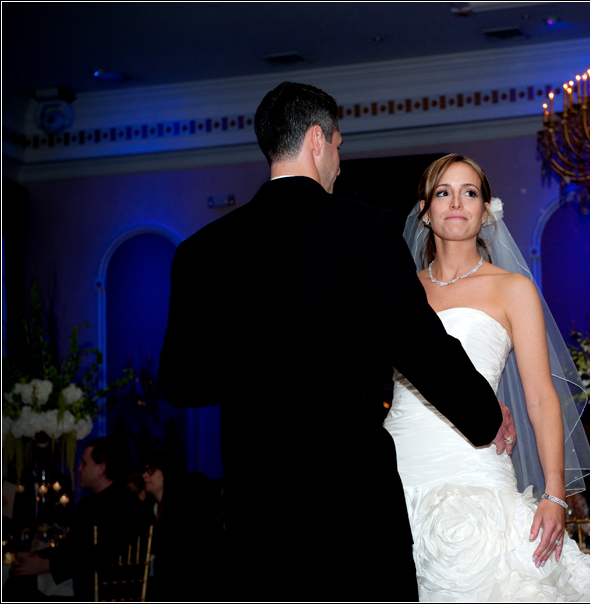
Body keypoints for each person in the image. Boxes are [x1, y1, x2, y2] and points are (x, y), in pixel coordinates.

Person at [158, 82, 510, 602]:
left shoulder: (201, 251)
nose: (340, 165)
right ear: (317, 140)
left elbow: (179, 381)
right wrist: (485, 415)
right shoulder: (363, 230)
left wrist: (260, 363)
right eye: (339, 146)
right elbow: (419, 342)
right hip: (351, 503)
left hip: (257, 509)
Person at [384, 154, 590, 601]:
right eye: (443, 192)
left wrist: (555, 494)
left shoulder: (512, 289)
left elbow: (541, 397)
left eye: (469, 193)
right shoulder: (397, 289)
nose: (456, 203)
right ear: (424, 211)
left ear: (485, 212)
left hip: (476, 464)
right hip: (397, 464)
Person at [11, 437, 146, 601]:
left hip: (100, 593)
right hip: (105, 590)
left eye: (84, 463)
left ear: (101, 468)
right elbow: (72, 545)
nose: (79, 468)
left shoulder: (109, 505)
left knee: (21, 587)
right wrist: (37, 555)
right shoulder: (116, 501)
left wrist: (45, 565)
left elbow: (96, 554)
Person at [140, 454, 222, 601]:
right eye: (144, 470)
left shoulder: (185, 510)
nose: (144, 475)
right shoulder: (150, 510)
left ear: (167, 472)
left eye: (151, 470)